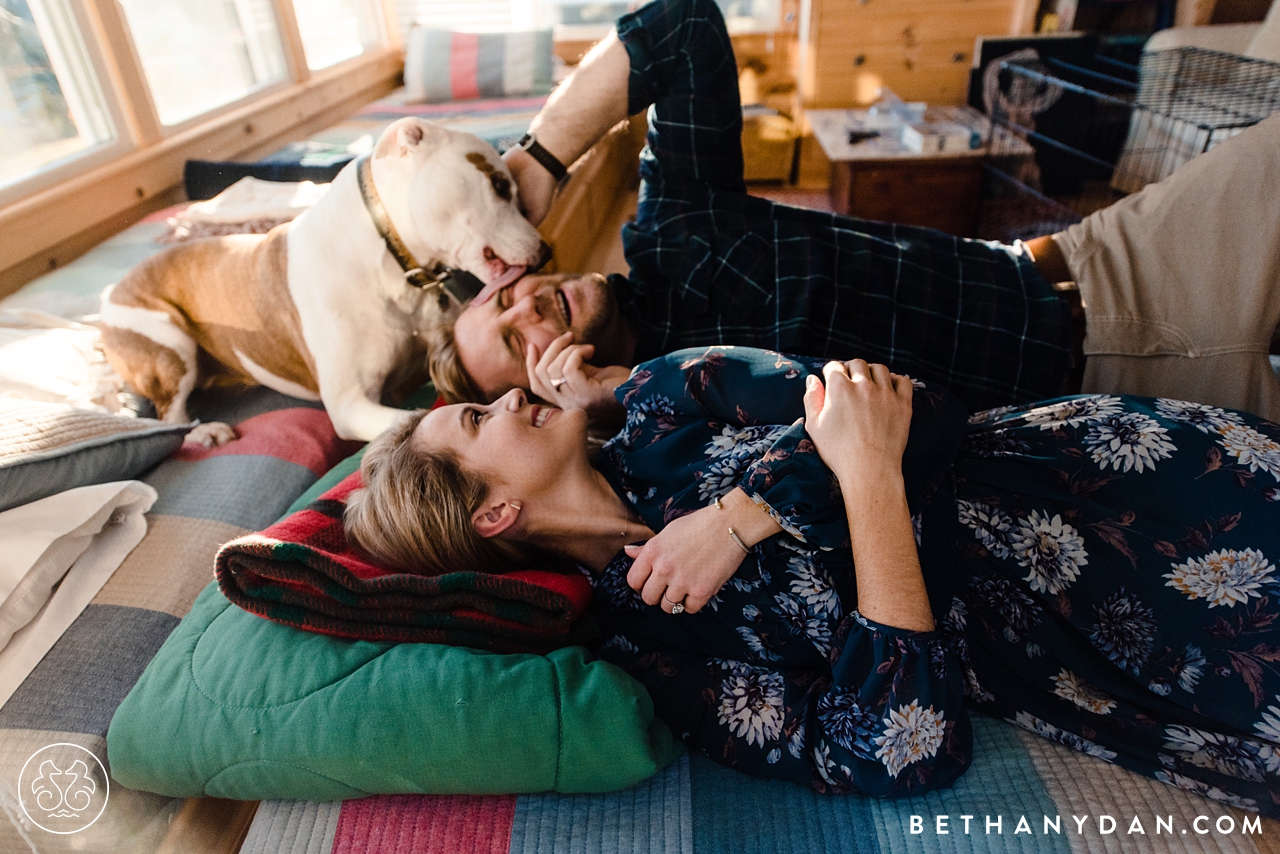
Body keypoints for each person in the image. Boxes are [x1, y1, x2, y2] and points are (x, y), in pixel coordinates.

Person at [346, 344, 1280, 809]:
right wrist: (864, 482)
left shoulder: (666, 398)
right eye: (477, 421)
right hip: (1093, 655)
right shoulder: (647, 646)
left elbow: (910, 406)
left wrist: (740, 515)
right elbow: (896, 751)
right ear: (493, 515)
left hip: (1124, 480)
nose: (510, 394)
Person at [427, 0, 1280, 423]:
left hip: (1104, 264)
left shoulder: (674, 230)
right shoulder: (666, 433)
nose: (528, 304)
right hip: (1122, 408)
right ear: (538, 396)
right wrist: (613, 406)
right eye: (513, 341)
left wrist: (536, 162)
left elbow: (683, 27)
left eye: (506, 296)